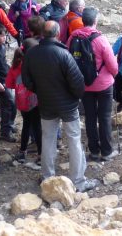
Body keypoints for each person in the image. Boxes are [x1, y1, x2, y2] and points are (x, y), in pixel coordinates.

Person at [22, 21, 98, 192]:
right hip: (68, 105)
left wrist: (40, 91)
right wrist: (74, 97)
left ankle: (47, 177)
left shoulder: (32, 53)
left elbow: (27, 81)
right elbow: (77, 81)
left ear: (42, 33)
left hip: (46, 103)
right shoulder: (63, 53)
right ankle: (78, 180)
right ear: (57, 34)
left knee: (48, 139)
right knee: (73, 139)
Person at [67, 7, 118, 161]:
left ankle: (94, 151)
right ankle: (107, 151)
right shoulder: (100, 39)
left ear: (83, 20)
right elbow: (113, 67)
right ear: (95, 21)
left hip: (84, 85)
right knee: (104, 117)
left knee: (90, 117)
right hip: (103, 85)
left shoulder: (73, 37)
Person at [6, 47, 42, 163]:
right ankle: (41, 154)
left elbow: (9, 84)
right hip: (34, 100)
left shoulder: (14, 69)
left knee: (26, 125)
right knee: (37, 126)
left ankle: (22, 151)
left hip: (22, 102)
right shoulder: (32, 67)